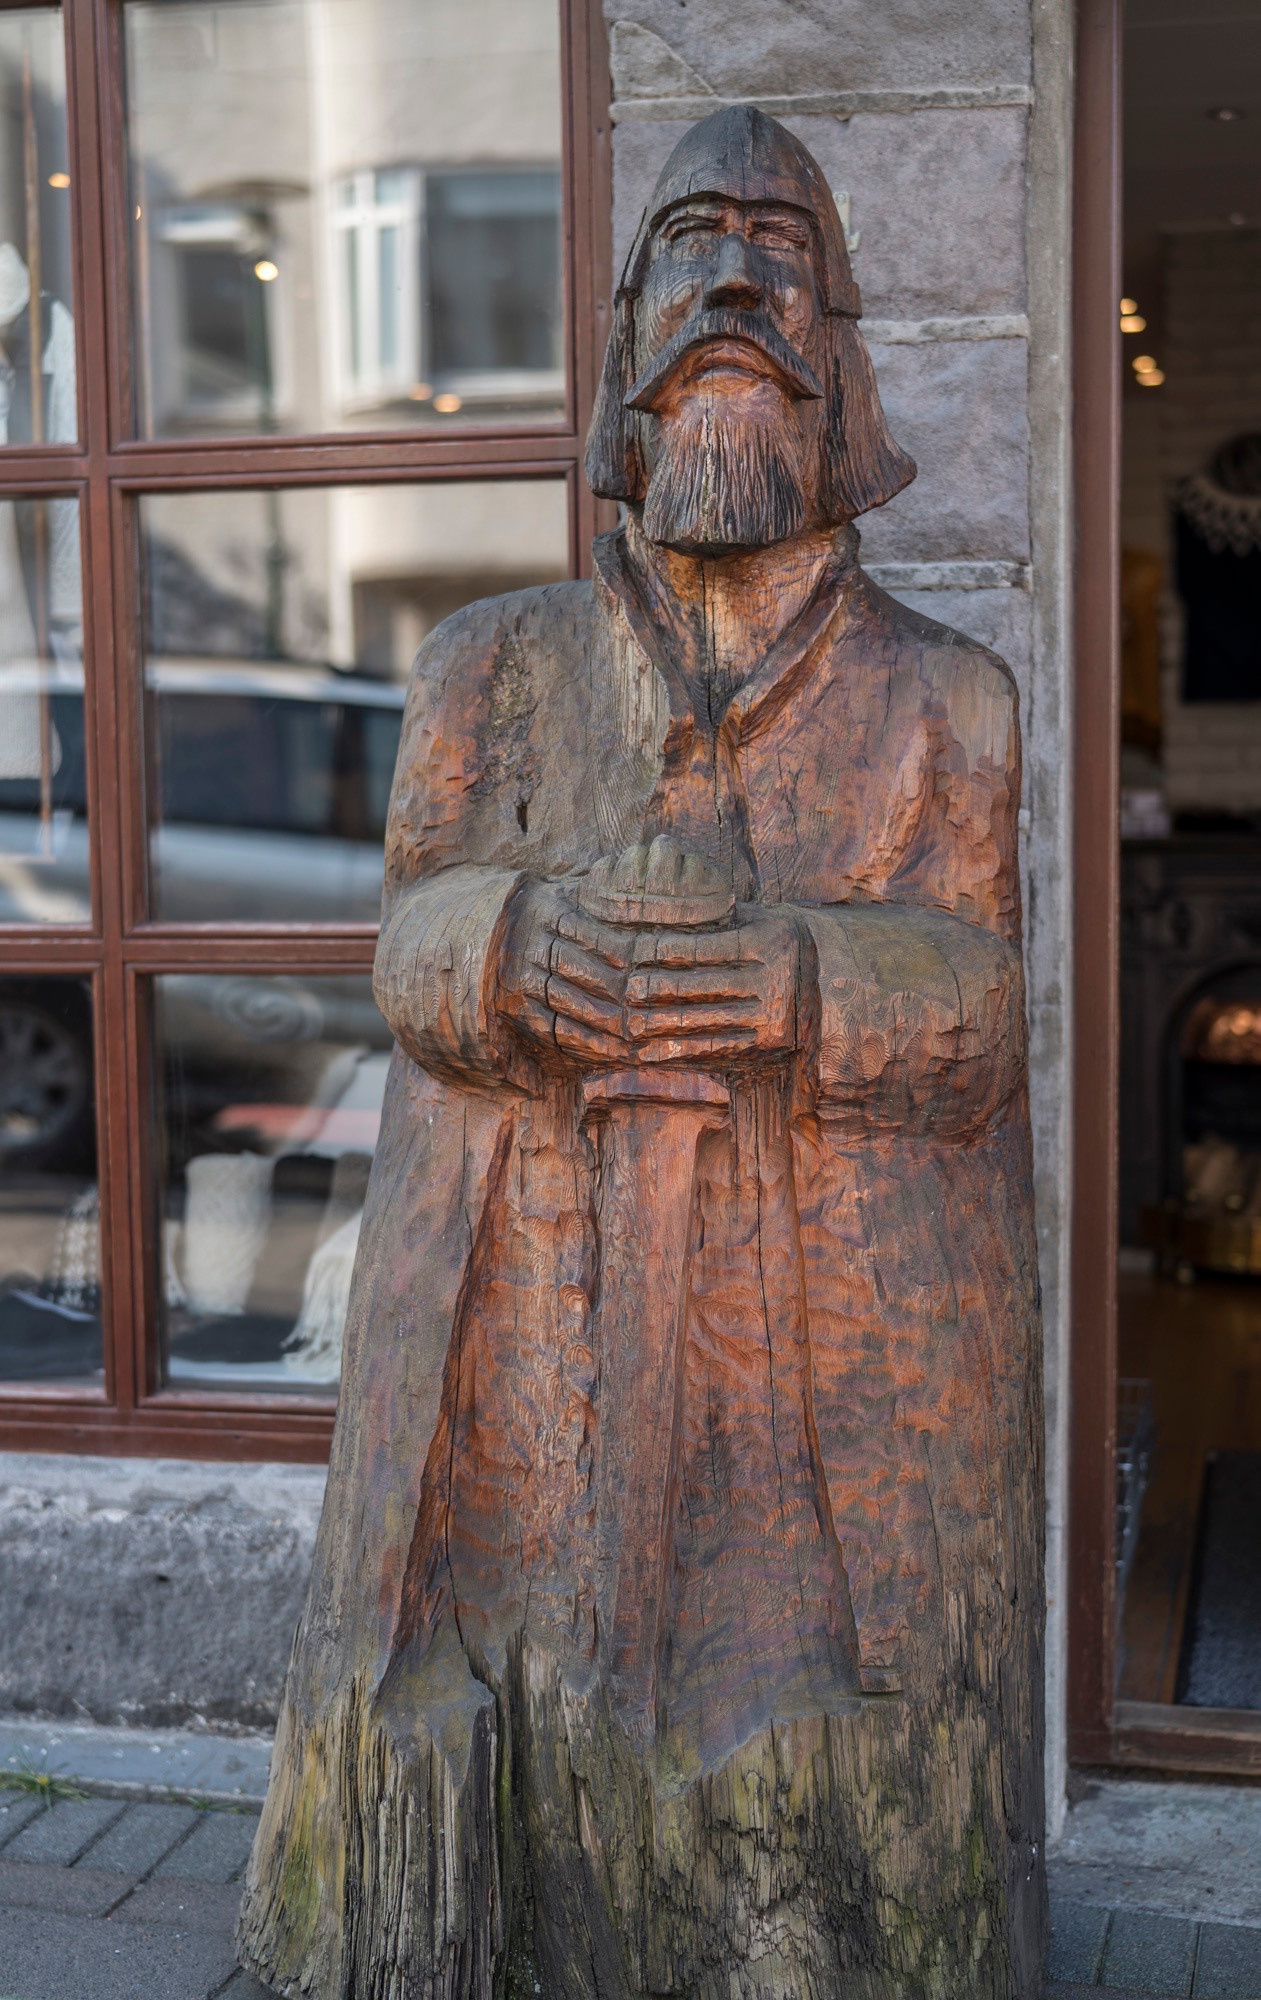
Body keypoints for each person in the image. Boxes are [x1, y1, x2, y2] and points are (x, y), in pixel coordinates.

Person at [240, 108, 1045, 2000]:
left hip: (824, 1339)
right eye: (689, 245)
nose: (735, 281)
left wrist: (788, 982)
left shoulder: (947, 700)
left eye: (778, 251)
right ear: (618, 359)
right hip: (531, 1314)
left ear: (839, 360)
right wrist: (518, 945)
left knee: (824, 1749)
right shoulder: (494, 665)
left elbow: (985, 1005)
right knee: (492, 1682)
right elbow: (408, 927)